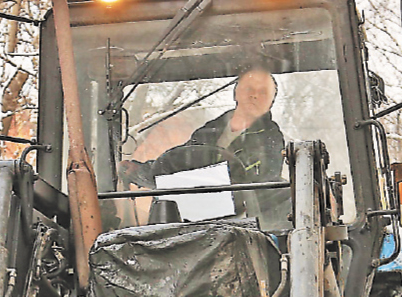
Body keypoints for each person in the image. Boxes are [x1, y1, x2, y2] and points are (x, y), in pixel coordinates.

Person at [122, 67, 287, 222]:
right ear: (236, 93)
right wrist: (140, 171)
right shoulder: (211, 130)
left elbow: (261, 186)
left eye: (263, 92)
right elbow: (181, 162)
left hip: (240, 222)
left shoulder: (270, 140)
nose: (255, 96)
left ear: (272, 100)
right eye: (249, 89)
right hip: (195, 216)